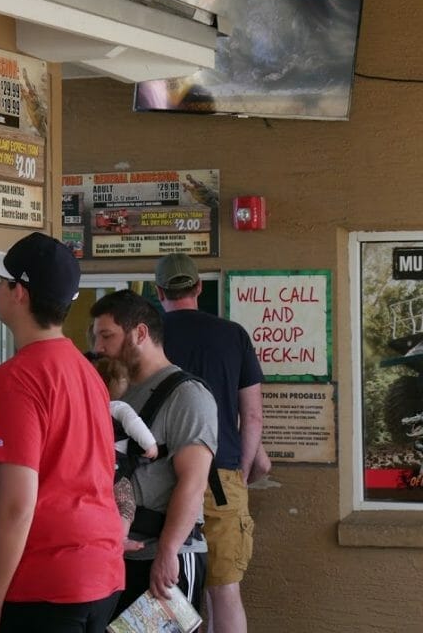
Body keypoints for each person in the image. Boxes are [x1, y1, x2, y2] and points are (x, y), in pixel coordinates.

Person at [0, 232, 123, 633]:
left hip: (47, 582)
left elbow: (18, 505)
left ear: (18, 292)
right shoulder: (86, 371)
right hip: (102, 571)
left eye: (0, 281)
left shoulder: (16, 379)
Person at [154, 253, 268, 633]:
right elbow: (251, 415)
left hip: (160, 480)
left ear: (159, 292)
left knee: (168, 589)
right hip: (221, 478)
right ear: (199, 287)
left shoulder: (148, 335)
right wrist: (241, 469)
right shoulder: (232, 334)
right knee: (224, 591)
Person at [90, 290, 217, 617]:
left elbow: (193, 482)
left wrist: (167, 552)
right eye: (96, 337)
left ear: (140, 333)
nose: (99, 347)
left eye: (107, 336)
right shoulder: (114, 393)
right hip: (114, 556)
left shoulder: (187, 396)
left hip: (163, 555)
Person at [93, 356, 159, 545]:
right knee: (125, 504)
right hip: (114, 469)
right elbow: (134, 424)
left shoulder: (86, 408)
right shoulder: (118, 407)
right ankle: (121, 538)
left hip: (91, 471)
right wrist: (150, 445)